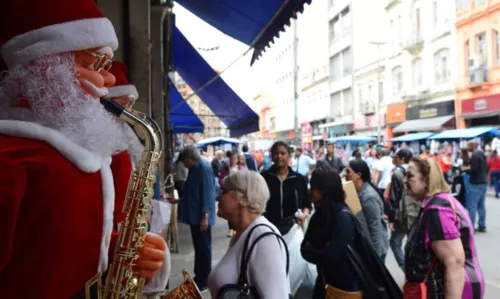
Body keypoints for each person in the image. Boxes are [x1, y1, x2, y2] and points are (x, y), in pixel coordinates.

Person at [0, 0, 168, 297]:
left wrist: (123, 251)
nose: (110, 80)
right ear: (44, 71)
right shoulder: (11, 159)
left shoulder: (83, 155)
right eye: (93, 65)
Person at [404, 157, 484, 299]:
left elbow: (454, 263)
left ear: (427, 179)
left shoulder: (437, 209)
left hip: (453, 290)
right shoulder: (436, 202)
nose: (405, 180)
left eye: (410, 176)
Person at [208, 171, 290, 299]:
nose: (217, 198)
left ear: (244, 197)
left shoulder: (264, 238)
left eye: (223, 191)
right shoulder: (243, 233)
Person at [169, 145, 215, 292]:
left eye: (184, 161)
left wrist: (205, 215)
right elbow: (193, 192)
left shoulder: (203, 168)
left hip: (201, 217)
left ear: (189, 159)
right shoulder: (196, 168)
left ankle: (204, 280)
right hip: (196, 216)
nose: (184, 164)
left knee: (203, 248)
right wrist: (179, 201)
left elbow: (207, 193)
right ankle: (199, 276)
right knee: (199, 247)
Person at [261, 141, 311, 234]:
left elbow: (306, 204)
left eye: (283, 153)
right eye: (276, 153)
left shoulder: (298, 179)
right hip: (268, 228)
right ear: (272, 156)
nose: (279, 156)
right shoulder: (264, 178)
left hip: (294, 228)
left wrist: (304, 214)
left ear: (289, 156)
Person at [346, 159, 389, 262]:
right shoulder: (359, 192)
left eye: (348, 172)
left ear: (358, 175)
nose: (345, 174)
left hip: (375, 250)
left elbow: (375, 228)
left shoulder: (368, 197)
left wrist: (375, 257)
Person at [387, 148, 420, 271]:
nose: (394, 159)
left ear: (402, 159)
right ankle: (415, 269)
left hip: (402, 215)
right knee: (413, 243)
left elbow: (394, 198)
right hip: (416, 214)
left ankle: (405, 268)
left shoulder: (398, 174)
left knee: (395, 242)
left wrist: (391, 219)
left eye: (397, 157)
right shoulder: (418, 171)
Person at [461, 141, 489, 232]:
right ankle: (482, 225)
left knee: (472, 206)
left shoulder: (475, 155)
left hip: (476, 182)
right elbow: (485, 168)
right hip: (484, 182)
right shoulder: (482, 154)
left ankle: (471, 227)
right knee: (481, 206)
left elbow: (474, 170)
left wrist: (466, 169)